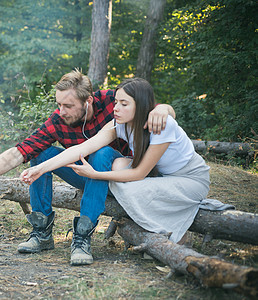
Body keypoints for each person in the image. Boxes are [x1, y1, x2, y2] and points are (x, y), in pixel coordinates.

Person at [0, 70, 176, 266]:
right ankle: (42, 232)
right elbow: (17, 153)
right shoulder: (58, 121)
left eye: (68, 105)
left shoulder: (113, 103)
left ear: (88, 101)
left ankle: (83, 236)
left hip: (121, 179)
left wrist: (163, 109)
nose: (61, 111)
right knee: (41, 152)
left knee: (102, 152)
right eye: (58, 104)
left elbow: (156, 109)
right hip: (85, 176)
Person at [21, 77, 233, 247]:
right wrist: (41, 168)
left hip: (189, 178)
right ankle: (42, 233)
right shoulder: (119, 125)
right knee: (113, 166)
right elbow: (82, 149)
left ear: (139, 106)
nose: (116, 108)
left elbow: (139, 173)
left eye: (124, 104)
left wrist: (96, 175)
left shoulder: (161, 125)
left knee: (126, 186)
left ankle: (173, 234)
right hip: (160, 177)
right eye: (115, 103)